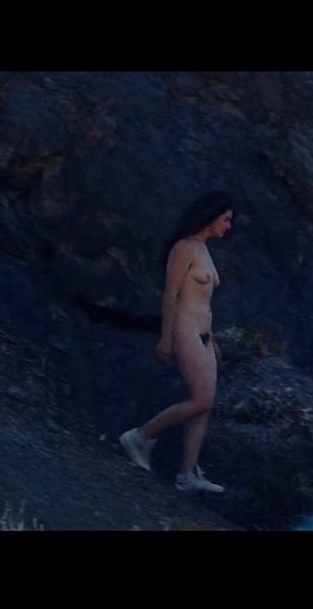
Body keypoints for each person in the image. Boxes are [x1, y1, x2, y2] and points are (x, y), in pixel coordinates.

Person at [119, 190, 234, 493]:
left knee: (206, 404)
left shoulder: (204, 249)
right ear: (211, 216)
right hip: (185, 330)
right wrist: (166, 337)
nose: (228, 225)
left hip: (205, 334)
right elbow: (171, 295)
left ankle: (187, 474)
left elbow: (203, 301)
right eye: (226, 219)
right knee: (202, 399)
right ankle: (140, 436)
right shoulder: (184, 249)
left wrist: (214, 339)